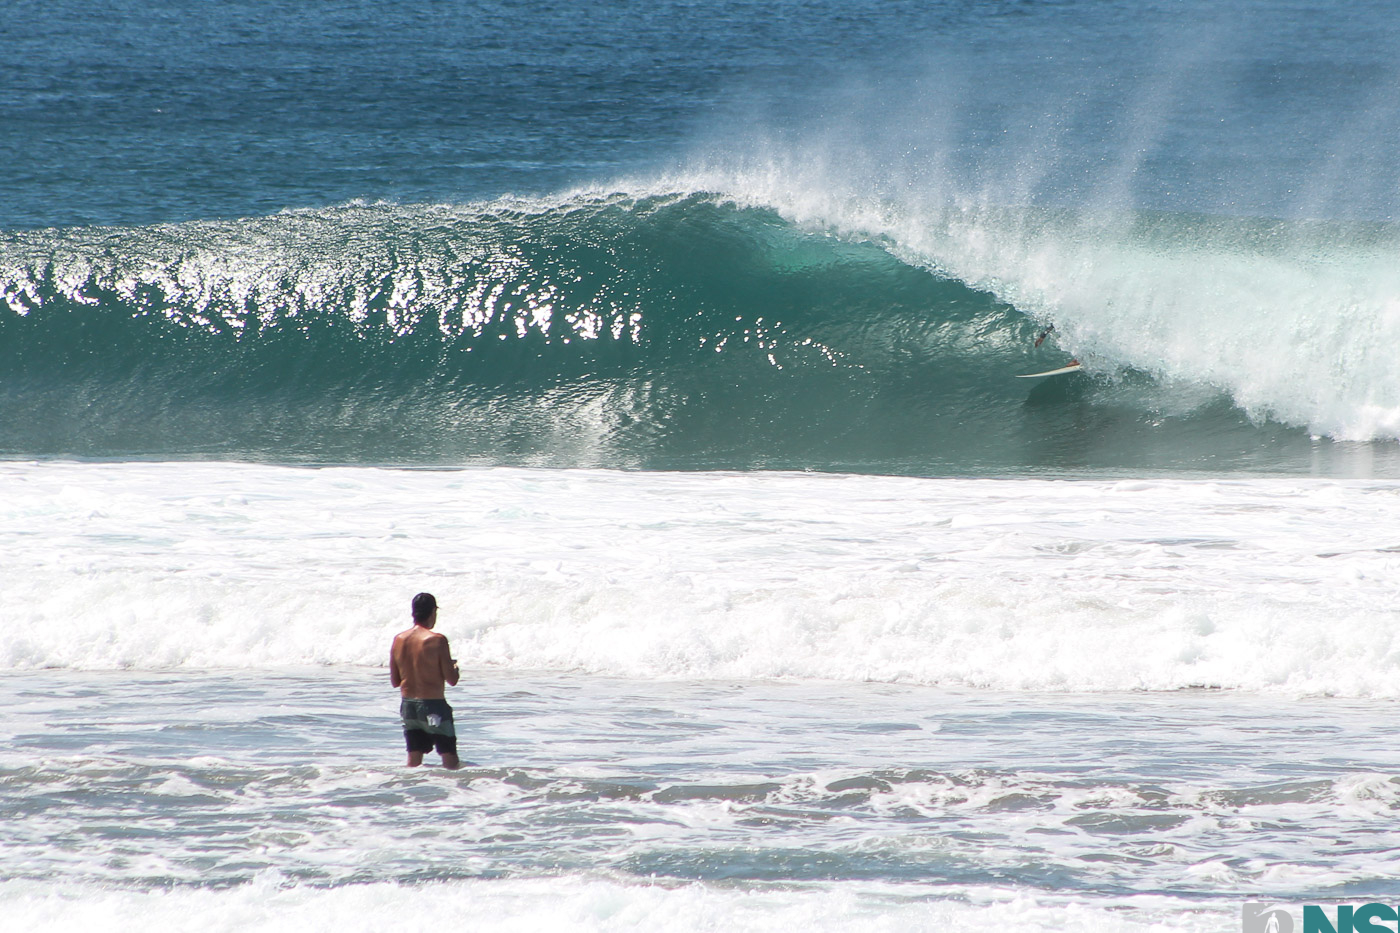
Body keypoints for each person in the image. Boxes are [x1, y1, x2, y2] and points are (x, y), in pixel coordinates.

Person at [389, 592, 461, 769]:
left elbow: (395, 681)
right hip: (433, 707)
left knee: (413, 763)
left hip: (408, 707)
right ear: (433, 612)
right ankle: (454, 794)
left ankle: (409, 794)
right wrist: (455, 668)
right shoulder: (437, 640)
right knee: (450, 761)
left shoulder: (398, 640)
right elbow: (452, 680)